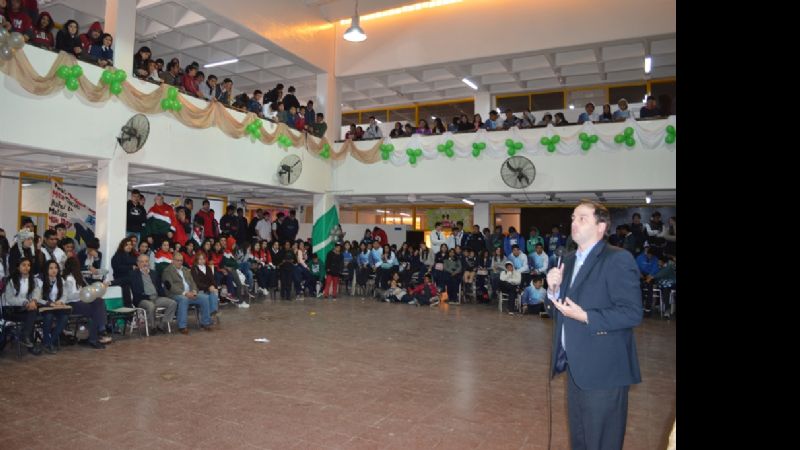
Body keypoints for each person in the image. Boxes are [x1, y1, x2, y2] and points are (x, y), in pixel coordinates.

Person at [545, 200, 642, 450]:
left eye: (582, 218)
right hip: (576, 367)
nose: (574, 223)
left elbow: (632, 313)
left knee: (602, 441)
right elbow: (557, 310)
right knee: (580, 439)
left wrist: (587, 316)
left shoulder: (617, 259)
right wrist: (552, 290)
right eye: (573, 218)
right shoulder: (568, 260)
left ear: (601, 226)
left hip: (604, 369)